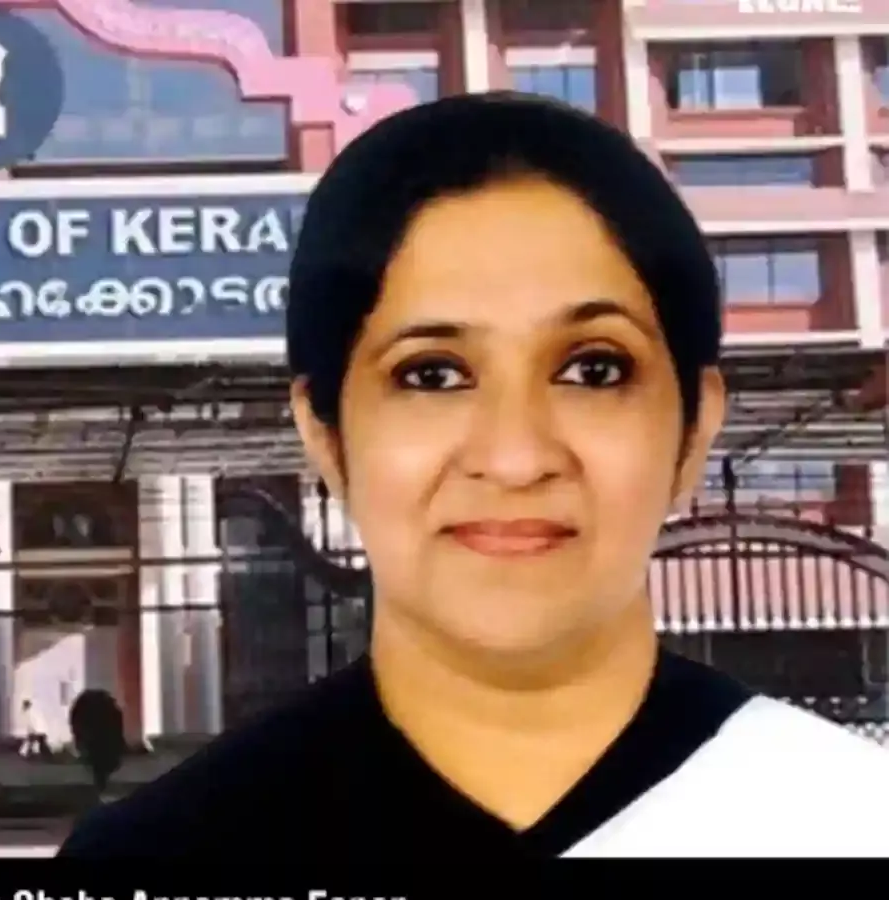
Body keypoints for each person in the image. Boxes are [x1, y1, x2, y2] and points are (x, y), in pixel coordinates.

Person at [57, 92, 889, 859]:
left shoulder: (850, 820)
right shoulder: (158, 859)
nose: (516, 457)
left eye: (593, 369)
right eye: (432, 374)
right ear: (325, 434)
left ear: (695, 426)